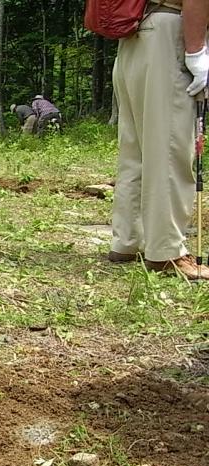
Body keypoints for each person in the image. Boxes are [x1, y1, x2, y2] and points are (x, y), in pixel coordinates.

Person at [110, 0, 209, 280]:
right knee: (169, 147)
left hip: (137, 33)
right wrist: (196, 50)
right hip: (169, 34)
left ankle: (128, 240)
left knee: (136, 148)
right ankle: (166, 251)